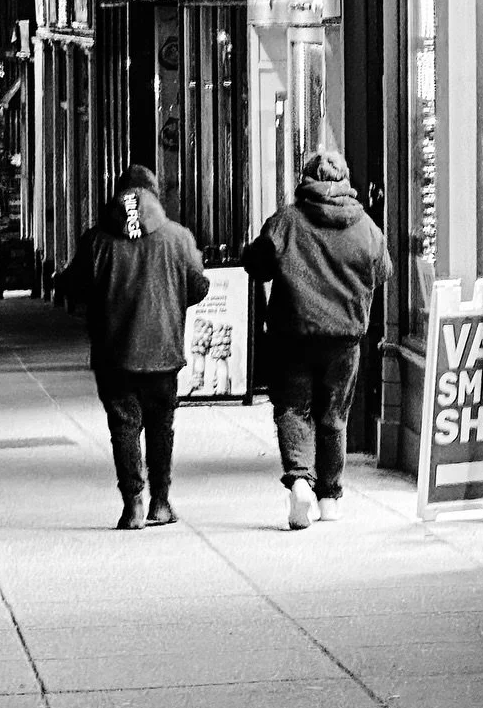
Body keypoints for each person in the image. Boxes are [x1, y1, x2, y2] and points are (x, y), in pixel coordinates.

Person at [243, 148, 391, 530]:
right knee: (334, 416)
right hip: (344, 338)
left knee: (293, 409)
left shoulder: (287, 222)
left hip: (292, 335)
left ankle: (299, 480)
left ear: (305, 179)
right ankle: (330, 498)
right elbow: (383, 271)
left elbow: (256, 264)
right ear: (345, 180)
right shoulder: (365, 227)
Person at [62, 163, 209, 530]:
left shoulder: (97, 241)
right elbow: (198, 285)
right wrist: (172, 299)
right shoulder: (178, 237)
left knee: (124, 427)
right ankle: (161, 502)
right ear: (155, 196)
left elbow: (74, 287)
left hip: (114, 353)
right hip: (163, 351)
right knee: (161, 426)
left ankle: (133, 505)